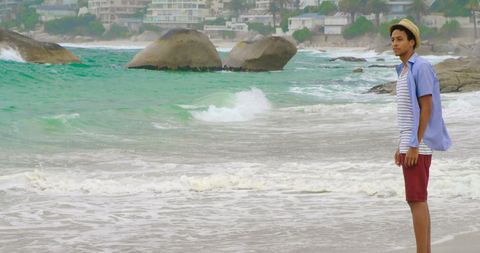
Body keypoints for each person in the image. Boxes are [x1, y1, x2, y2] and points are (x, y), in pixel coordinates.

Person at [390, 19, 452, 253]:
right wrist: (402, 145)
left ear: (412, 42)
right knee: (414, 199)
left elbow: (427, 107)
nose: (395, 44)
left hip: (419, 144)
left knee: (417, 199)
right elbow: (408, 112)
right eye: (393, 40)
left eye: (400, 39)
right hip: (410, 142)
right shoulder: (404, 69)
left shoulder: (421, 67)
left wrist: (414, 144)